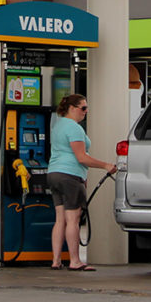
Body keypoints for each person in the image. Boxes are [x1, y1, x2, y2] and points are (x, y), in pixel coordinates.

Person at [47, 94, 117, 271]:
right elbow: (81, 157)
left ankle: (56, 261)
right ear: (72, 108)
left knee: (59, 219)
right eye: (83, 108)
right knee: (73, 219)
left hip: (53, 173)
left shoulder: (57, 126)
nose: (86, 112)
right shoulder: (75, 128)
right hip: (70, 175)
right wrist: (106, 165)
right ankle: (75, 261)